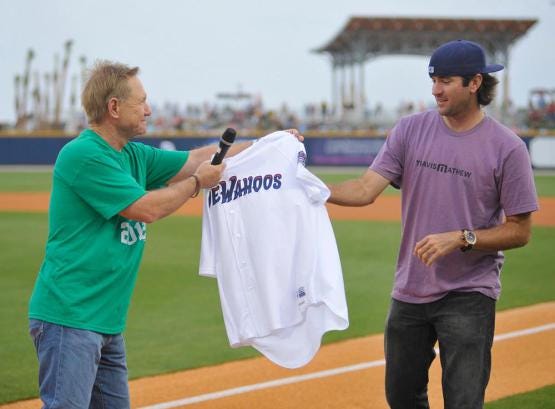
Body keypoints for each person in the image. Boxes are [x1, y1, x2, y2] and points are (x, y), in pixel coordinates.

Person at [28, 60, 302, 408]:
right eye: (140, 101)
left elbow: (197, 157)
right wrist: (196, 184)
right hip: (69, 319)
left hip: (106, 322)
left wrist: (268, 144)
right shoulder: (83, 155)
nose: (149, 110)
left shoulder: (133, 154)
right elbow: (146, 208)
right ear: (114, 108)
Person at [327, 40, 538, 408]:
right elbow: (363, 190)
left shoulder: (508, 148)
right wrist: (306, 187)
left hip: (469, 294)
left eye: (445, 81)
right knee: (402, 398)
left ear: (475, 83)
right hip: (410, 290)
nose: (435, 89)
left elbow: (519, 230)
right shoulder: (410, 130)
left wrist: (462, 238)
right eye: (433, 79)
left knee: (463, 401)